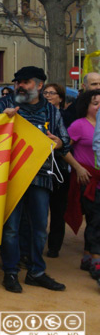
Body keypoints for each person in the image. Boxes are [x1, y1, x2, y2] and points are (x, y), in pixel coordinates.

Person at [0, 66, 69, 293]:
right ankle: (10, 273)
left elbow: (65, 142)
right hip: (10, 176)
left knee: (40, 227)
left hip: (41, 177)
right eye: (18, 82)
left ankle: (36, 273)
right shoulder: (4, 104)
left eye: (26, 82)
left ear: (40, 85)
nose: (20, 86)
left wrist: (56, 142)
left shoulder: (52, 112)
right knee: (11, 228)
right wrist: (2, 119)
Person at [63, 90, 100, 278]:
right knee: (96, 218)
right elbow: (62, 147)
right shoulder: (79, 125)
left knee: (96, 219)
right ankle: (96, 259)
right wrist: (78, 168)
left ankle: (87, 256)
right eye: (95, 103)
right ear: (86, 106)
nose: (99, 106)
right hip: (87, 179)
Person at [41, 83, 69, 258]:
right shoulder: (39, 113)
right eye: (46, 92)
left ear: (60, 97)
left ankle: (54, 246)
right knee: (40, 209)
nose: (49, 95)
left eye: (52, 93)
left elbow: (66, 143)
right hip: (41, 168)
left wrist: (57, 142)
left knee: (58, 210)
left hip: (59, 166)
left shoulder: (66, 116)